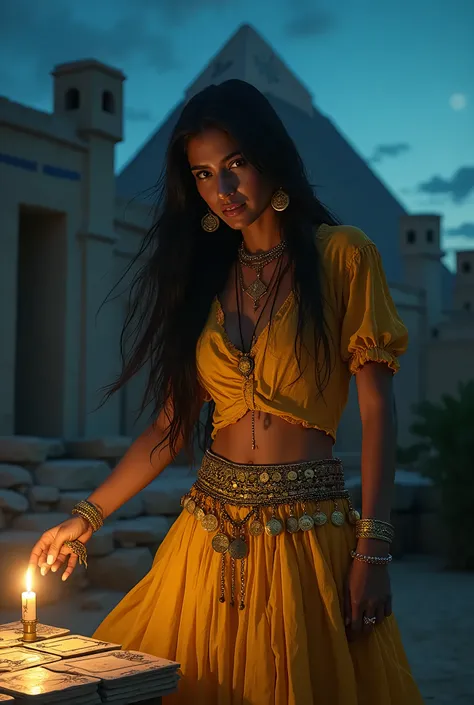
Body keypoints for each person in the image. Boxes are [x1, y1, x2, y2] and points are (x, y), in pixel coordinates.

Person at [29, 80, 423, 705]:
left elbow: (378, 413)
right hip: (205, 536)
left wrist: (373, 548)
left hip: (307, 540)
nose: (225, 189)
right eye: (205, 173)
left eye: (236, 164)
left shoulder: (345, 257)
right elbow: (168, 427)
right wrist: (85, 517)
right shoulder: (206, 279)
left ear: (269, 156)